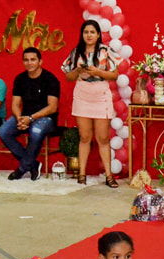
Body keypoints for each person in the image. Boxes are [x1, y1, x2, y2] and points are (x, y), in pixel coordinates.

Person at [62, 19, 121, 187]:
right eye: (86, 32)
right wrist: (78, 71)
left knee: (103, 138)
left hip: (100, 94)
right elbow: (68, 77)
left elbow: (115, 75)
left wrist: (98, 72)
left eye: (92, 32)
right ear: (82, 34)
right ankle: (81, 174)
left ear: (98, 35)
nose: (89, 35)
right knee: (85, 137)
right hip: (82, 95)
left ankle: (109, 176)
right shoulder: (76, 52)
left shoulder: (105, 51)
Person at [0, 47, 60, 181]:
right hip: (24, 116)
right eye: (26, 60)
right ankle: (33, 165)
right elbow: (15, 104)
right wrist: (20, 118)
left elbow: (52, 107)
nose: (29, 63)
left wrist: (30, 118)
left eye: (33, 60)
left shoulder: (50, 79)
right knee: (3, 131)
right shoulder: (20, 79)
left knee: (36, 130)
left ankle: (22, 169)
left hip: (46, 119)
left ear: (40, 61)